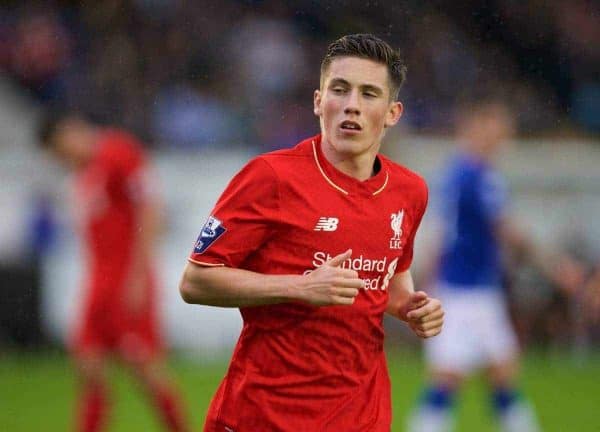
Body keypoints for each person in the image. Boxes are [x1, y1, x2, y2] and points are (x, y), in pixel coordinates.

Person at [178, 33, 445, 432]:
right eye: (340, 89)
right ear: (319, 101)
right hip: (263, 418)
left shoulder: (409, 192)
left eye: (369, 94)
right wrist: (300, 287)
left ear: (392, 113)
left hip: (362, 419)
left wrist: (411, 308)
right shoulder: (271, 177)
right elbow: (195, 282)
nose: (351, 105)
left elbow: (386, 284)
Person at [38, 113, 189, 432]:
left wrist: (138, 275)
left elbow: (151, 208)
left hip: (127, 280)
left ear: (71, 131)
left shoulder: (118, 152)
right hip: (98, 282)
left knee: (143, 366)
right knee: (88, 366)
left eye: (60, 150)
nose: (62, 158)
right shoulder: (82, 173)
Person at [407, 98, 546, 432]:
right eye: (496, 127)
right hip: (467, 290)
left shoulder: (456, 172)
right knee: (449, 377)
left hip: (471, 286)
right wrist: (555, 266)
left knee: (501, 373)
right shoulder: (478, 176)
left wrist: (429, 274)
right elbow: (504, 229)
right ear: (477, 128)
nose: (502, 137)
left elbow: (443, 233)